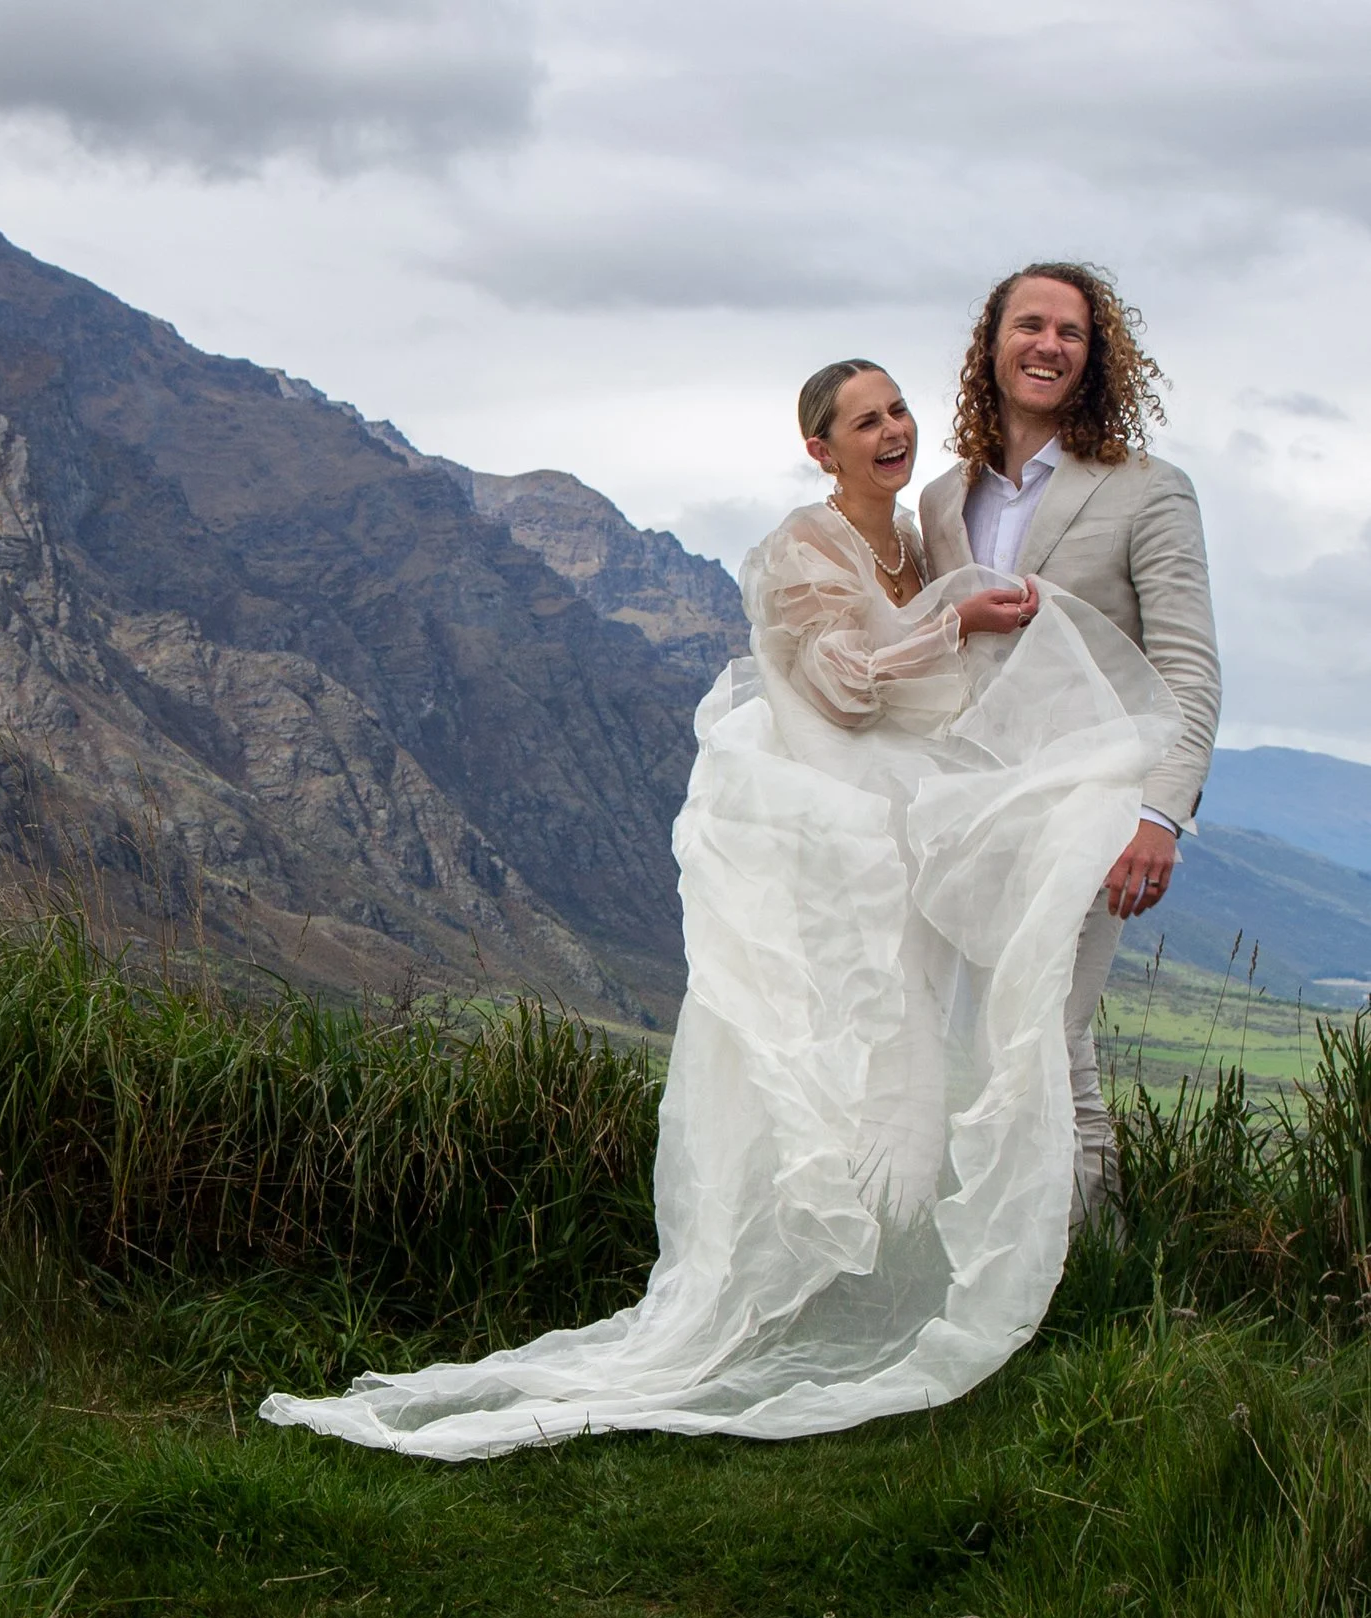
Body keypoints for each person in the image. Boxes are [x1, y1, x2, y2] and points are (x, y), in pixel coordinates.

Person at [259, 360, 1179, 1459]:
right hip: (836, 840)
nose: (890, 430)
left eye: (895, 410)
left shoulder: (924, 536)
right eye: (862, 420)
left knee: (926, 1058)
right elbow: (839, 681)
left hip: (908, 828)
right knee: (836, 1055)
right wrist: (951, 623)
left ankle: (980, 1260)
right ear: (819, 447)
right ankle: (794, 1281)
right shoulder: (805, 544)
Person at [916, 262, 1221, 1228]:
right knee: (976, 1048)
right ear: (991, 344)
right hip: (969, 808)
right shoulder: (940, 501)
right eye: (1029, 324)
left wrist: (1159, 813)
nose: (1048, 344)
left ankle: (1094, 1270)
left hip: (1092, 802)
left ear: (1095, 360)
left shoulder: (1147, 491)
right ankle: (1000, 1262)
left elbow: (1187, 663)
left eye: (1072, 333)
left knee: (1052, 1037)